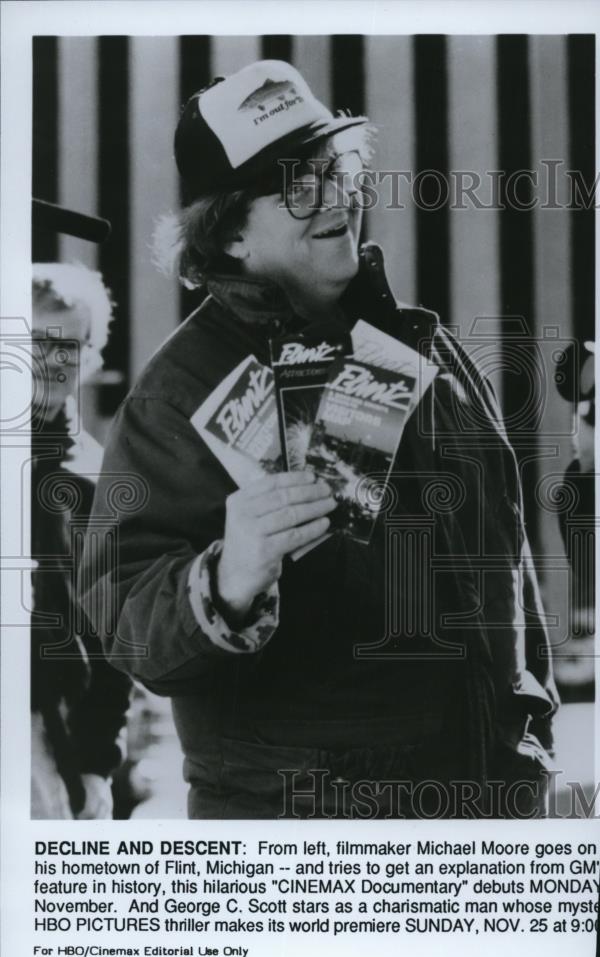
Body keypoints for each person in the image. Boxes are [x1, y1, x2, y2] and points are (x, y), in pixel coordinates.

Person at [79, 60, 558, 819]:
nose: (339, 197)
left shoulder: (422, 345)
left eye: (339, 168)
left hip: (484, 805)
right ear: (230, 230)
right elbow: (124, 621)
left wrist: (532, 737)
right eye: (300, 182)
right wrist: (225, 580)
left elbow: (508, 562)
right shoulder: (181, 391)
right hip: (304, 830)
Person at [31, 262, 131, 818]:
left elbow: (115, 641)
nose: (53, 361)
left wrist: (97, 764)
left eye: (71, 346)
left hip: (61, 745)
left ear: (91, 356)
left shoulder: (98, 475)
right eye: (37, 341)